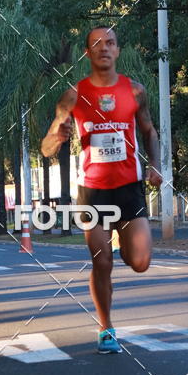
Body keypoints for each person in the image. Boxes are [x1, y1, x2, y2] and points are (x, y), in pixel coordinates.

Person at [41, 26, 162, 353]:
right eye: (96, 44)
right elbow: (46, 148)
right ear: (87, 53)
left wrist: (155, 164)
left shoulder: (135, 91)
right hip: (92, 191)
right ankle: (106, 328)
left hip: (129, 186)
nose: (104, 48)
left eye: (110, 43)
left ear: (118, 50)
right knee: (102, 262)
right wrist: (58, 135)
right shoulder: (73, 95)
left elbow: (149, 131)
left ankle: (124, 243)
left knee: (140, 261)